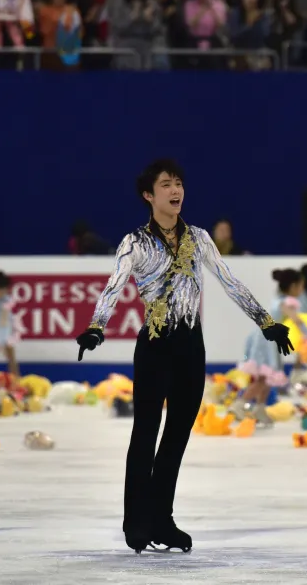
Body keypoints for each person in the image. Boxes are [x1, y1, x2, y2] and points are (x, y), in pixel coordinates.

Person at [74, 159, 292, 555]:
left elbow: (229, 280)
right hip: (155, 347)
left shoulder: (200, 238)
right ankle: (136, 521)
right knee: (145, 435)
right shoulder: (135, 242)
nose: (175, 191)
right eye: (166, 185)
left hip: (191, 347)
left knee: (176, 437)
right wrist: (97, 326)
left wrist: (265, 322)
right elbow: (113, 286)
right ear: (148, 195)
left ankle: (162, 519)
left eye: (179, 184)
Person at [233, 268, 301, 424]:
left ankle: (260, 408)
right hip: (266, 341)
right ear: (293, 286)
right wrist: (303, 324)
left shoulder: (278, 299)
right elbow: (294, 317)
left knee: (267, 378)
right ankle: (240, 404)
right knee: (263, 379)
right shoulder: (286, 302)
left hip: (267, 339)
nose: (302, 290)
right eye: (300, 286)